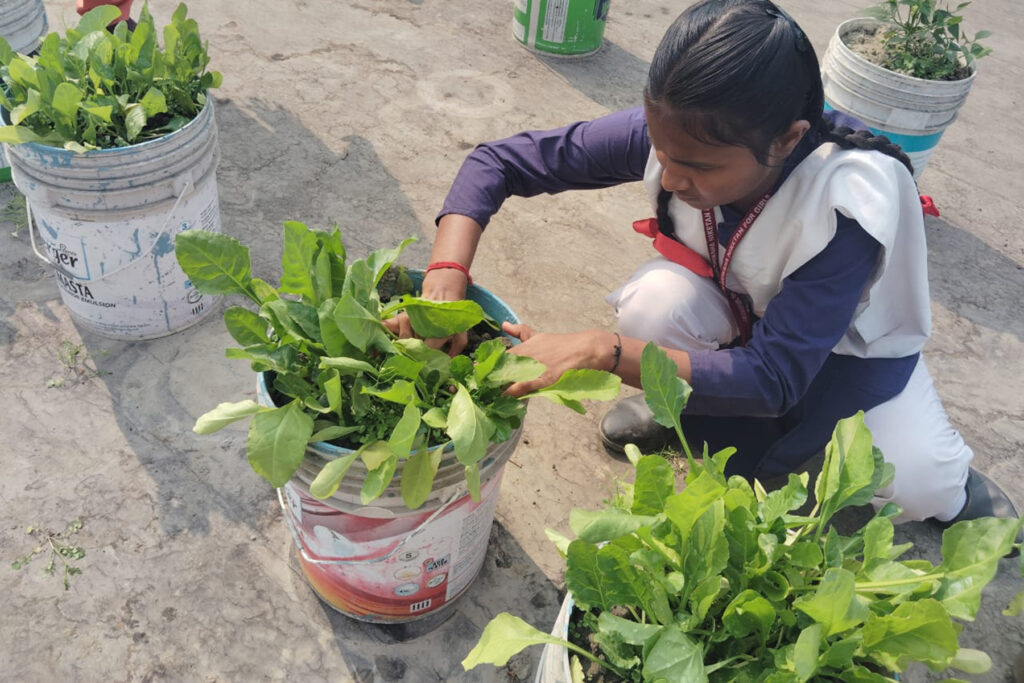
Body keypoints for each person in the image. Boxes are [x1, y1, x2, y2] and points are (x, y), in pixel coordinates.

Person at [392, 0, 1017, 527]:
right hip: (740, 305)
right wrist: (446, 280)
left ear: (788, 140)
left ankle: (957, 486)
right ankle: (679, 409)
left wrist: (599, 351)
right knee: (653, 306)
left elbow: (776, 378)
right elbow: (500, 164)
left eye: (700, 168)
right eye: (664, 152)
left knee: (916, 484)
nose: (672, 176)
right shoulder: (683, 137)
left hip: (841, 353)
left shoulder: (847, 201)